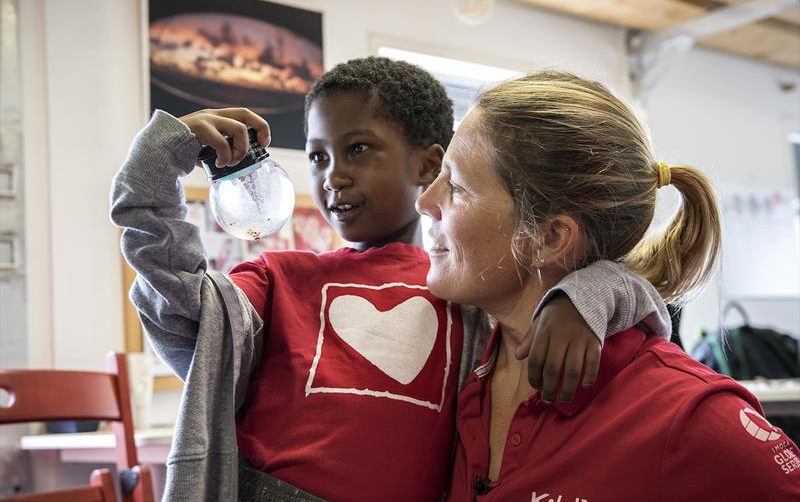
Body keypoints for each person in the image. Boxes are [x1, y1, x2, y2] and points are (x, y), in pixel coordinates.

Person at [111, 58, 669, 501]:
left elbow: (628, 285)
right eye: (317, 157)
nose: (335, 176)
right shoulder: (281, 278)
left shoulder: (471, 287)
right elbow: (180, 303)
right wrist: (156, 173)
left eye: (358, 149)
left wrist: (581, 298)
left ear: (429, 166)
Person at [415, 70, 800, 501]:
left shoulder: (692, 419)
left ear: (550, 238)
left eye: (457, 187)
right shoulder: (452, 359)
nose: (424, 201)